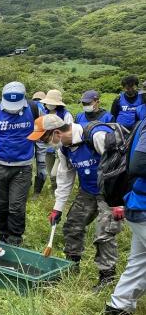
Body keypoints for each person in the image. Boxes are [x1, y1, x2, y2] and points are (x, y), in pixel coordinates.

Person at [27, 115, 123, 290]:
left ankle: (107, 276)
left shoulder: (96, 136)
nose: (44, 144)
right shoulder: (64, 149)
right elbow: (65, 179)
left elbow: (120, 168)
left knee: (104, 234)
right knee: (72, 225)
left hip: (111, 193)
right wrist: (57, 209)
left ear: (57, 132)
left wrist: (119, 202)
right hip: (88, 191)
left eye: (45, 139)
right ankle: (72, 265)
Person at [0, 81, 46, 246]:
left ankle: (15, 238)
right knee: (2, 205)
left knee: (16, 206)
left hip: (23, 167)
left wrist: (41, 164)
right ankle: (2, 234)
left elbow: (42, 138)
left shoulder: (35, 110)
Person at [105, 119, 146, 315]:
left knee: (140, 262)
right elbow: (139, 164)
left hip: (137, 204)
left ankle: (117, 310)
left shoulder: (142, 122)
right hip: (143, 206)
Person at [40, 89, 73, 191]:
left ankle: (60, 191)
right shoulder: (43, 113)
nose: (49, 105)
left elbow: (69, 131)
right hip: (47, 148)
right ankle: (55, 192)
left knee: (55, 173)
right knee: (51, 174)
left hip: (60, 148)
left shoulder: (65, 114)